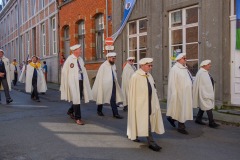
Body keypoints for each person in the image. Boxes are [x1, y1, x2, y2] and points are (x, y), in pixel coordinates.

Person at [127, 58, 165, 152]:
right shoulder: (135, 76)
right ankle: (151, 142)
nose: (151, 67)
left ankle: (133, 134)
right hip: (140, 104)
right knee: (145, 122)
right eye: (149, 65)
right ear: (142, 66)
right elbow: (132, 93)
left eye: (151, 65)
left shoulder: (149, 76)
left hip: (150, 102)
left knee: (146, 120)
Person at [60, 44, 93, 125]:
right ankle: (78, 118)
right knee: (76, 97)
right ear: (75, 51)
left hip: (81, 80)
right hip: (73, 82)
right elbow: (64, 72)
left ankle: (70, 111)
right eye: (79, 49)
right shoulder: (69, 59)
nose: (81, 51)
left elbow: (83, 69)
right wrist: (67, 83)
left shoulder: (81, 59)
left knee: (78, 98)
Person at [166, 53, 193, 135]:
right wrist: (174, 94)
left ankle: (172, 119)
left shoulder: (184, 68)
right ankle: (181, 127)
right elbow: (172, 83)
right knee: (181, 109)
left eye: (185, 58)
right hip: (179, 93)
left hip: (186, 93)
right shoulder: (175, 69)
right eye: (184, 58)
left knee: (182, 109)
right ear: (179, 59)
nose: (185, 60)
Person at [92, 52, 123, 119]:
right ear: (108, 58)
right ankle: (99, 110)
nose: (114, 60)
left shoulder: (113, 65)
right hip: (104, 85)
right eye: (112, 58)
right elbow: (100, 77)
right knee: (102, 97)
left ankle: (115, 114)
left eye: (114, 58)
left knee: (113, 99)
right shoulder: (103, 66)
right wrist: (100, 86)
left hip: (113, 84)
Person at [193, 60, 220, 128]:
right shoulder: (202, 73)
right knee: (209, 107)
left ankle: (198, 119)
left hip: (207, 93)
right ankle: (211, 122)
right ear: (204, 65)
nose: (210, 65)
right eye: (209, 64)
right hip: (205, 94)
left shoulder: (205, 72)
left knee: (203, 107)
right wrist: (205, 94)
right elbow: (202, 85)